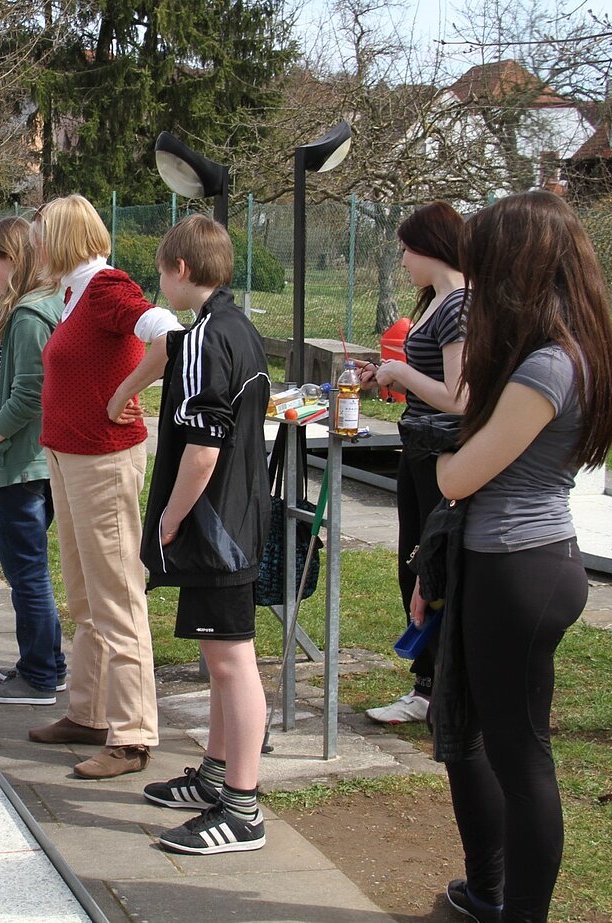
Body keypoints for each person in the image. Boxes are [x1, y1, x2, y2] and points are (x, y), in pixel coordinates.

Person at [432, 191, 612, 923]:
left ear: (520, 266)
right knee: (501, 744)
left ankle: (521, 911)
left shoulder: (549, 363)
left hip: (518, 569)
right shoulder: (564, 349)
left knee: (523, 755)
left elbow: (458, 475)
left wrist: (444, 451)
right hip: (522, 562)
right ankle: (493, 893)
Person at [109, 215, 271, 854]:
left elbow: (204, 447)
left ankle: (243, 808)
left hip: (215, 527)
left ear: (180, 270)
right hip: (233, 520)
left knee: (233, 663)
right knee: (221, 658)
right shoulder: (236, 327)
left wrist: (171, 518)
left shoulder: (208, 335)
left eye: (160, 272)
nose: (158, 284)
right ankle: (217, 774)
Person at [27, 194, 182, 779]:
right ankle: (90, 712)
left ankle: (134, 733)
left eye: (41, 235)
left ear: (63, 237)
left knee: (117, 596)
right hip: (70, 458)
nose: (35, 246)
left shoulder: (107, 287)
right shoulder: (74, 292)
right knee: (85, 594)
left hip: (103, 460)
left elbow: (169, 336)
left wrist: (124, 394)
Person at [359, 201, 467, 726]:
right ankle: (427, 685)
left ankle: (439, 688)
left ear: (430, 246)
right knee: (414, 564)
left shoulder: (459, 306)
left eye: (406, 248)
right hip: (418, 449)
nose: (402, 259)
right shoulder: (434, 303)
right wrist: (389, 375)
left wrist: (398, 368)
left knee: (432, 567)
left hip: (441, 457)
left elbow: (458, 395)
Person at [0, 217, 67, 706]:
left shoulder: (29, 315)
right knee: (33, 570)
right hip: (35, 459)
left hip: (19, 462)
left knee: (26, 573)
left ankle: (38, 677)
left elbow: (31, 393)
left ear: (13, 259)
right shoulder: (43, 305)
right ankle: (48, 662)